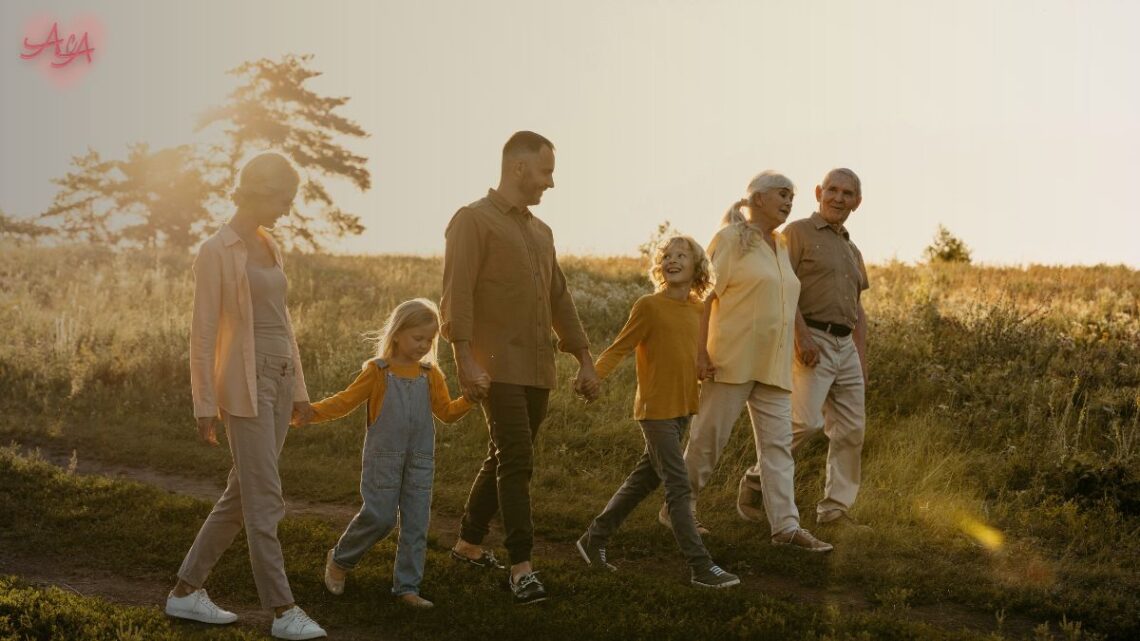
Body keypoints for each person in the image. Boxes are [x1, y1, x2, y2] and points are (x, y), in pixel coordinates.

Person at [169, 152, 326, 641]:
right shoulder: (216, 250)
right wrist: (203, 403)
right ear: (260, 190)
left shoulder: (271, 245)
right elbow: (203, 332)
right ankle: (282, 611)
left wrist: (298, 390)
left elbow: (283, 323)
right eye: (284, 198)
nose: (287, 208)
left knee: (244, 493)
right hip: (246, 383)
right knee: (265, 499)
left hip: (279, 379)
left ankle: (185, 592)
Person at [441, 131, 600, 604]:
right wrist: (463, 361)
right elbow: (458, 294)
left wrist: (585, 359)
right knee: (517, 460)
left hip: (538, 367)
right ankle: (521, 566)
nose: (550, 183)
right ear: (518, 169)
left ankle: (468, 544)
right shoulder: (472, 221)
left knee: (504, 456)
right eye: (546, 171)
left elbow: (559, 299)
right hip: (495, 365)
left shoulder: (540, 232)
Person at [676, 171, 832, 553]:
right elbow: (704, 298)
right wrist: (699, 353)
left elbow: (786, 299)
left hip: (773, 364)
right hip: (729, 359)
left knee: (778, 448)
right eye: (782, 194)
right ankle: (677, 509)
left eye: (792, 196)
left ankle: (786, 528)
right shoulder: (731, 239)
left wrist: (800, 339)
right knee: (708, 442)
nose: (789, 202)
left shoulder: (778, 244)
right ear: (758, 198)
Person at [292, 298, 480, 608]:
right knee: (380, 517)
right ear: (396, 333)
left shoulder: (430, 374)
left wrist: (470, 399)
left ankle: (407, 587)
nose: (423, 345)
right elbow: (345, 401)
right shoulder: (378, 371)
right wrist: (312, 412)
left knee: (417, 524)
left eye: (429, 340)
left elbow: (446, 413)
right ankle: (340, 559)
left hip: (420, 461)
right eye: (417, 338)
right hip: (383, 459)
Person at [576, 236, 740, 589]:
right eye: (667, 255)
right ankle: (701, 566)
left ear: (697, 267)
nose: (672, 259)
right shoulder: (649, 305)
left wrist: (704, 368)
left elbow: (691, 353)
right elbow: (621, 347)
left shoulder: (698, 311)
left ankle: (594, 538)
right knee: (678, 487)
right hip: (655, 411)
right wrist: (593, 376)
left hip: (684, 409)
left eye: (682, 255)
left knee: (645, 479)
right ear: (660, 266)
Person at [784, 168, 871, 530]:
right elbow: (782, 290)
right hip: (811, 336)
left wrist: (862, 360)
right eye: (832, 190)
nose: (838, 198)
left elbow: (859, 308)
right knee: (804, 422)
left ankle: (835, 510)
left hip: (845, 344)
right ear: (818, 192)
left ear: (857, 202)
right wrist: (801, 336)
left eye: (847, 193)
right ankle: (757, 479)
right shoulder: (797, 233)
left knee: (851, 430)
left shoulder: (852, 249)